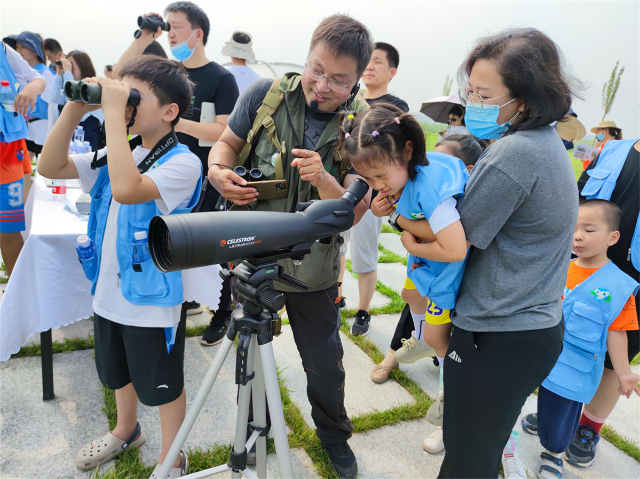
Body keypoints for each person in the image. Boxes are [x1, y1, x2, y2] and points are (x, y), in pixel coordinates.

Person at [207, 14, 373, 478]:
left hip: (314, 268)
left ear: (358, 79)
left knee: (325, 363)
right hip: (253, 256)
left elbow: (354, 209)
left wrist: (324, 180)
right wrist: (219, 174)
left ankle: (334, 438)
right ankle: (251, 429)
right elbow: (225, 146)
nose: (321, 85)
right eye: (316, 69)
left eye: (339, 80)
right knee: (248, 355)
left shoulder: (362, 124)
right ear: (308, 57)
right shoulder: (263, 95)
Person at [37, 55, 201, 477]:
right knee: (117, 371)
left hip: (151, 299)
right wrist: (76, 107)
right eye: (120, 94)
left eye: (132, 98)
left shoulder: (183, 162)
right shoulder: (120, 149)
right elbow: (50, 165)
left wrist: (111, 114)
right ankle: (126, 429)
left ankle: (172, 454)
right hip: (107, 289)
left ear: (169, 112)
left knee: (163, 381)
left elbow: (129, 189)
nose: (123, 105)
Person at [437, 28, 581, 478]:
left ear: (525, 99)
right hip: (529, 325)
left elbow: (457, 239)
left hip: (498, 333)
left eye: (484, 95)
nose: (473, 104)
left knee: (467, 459)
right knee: (477, 448)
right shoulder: (545, 144)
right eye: (471, 92)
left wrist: (403, 221)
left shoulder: (515, 153)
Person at [114, 3, 240, 329]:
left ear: (197, 34)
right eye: (167, 26)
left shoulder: (221, 78)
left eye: (177, 27)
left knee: (204, 247)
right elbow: (119, 80)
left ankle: (222, 314)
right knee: (164, 244)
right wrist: (144, 36)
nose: (170, 33)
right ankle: (179, 303)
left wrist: (176, 121)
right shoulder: (167, 71)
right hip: (158, 171)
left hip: (200, 174)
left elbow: (225, 132)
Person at [519, 199, 639, 479]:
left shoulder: (619, 287)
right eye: (573, 228)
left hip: (574, 367)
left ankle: (554, 453)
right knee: (547, 399)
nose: (578, 236)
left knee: (563, 407)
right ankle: (550, 420)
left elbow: (617, 331)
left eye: (588, 229)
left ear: (613, 237)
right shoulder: (560, 266)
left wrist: (623, 372)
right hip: (541, 355)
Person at [370, 134, 484, 384]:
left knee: (437, 336)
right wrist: (382, 207)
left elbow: (445, 239)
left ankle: (447, 391)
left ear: (466, 170)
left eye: (438, 162)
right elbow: (401, 209)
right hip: (422, 264)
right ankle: (419, 339)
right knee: (410, 296)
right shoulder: (420, 183)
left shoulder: (462, 201)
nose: (426, 169)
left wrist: (400, 222)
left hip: (444, 274)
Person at [564, 138, 640, 468]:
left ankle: (587, 428)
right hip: (588, 266)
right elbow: (578, 200)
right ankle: (559, 411)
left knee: (615, 359)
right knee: (569, 342)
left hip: (636, 283)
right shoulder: (612, 150)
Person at [349, 42, 409, 336]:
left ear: (392, 71)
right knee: (331, 248)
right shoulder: (350, 98)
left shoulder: (395, 106)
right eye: (367, 61)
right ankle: (334, 297)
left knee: (363, 252)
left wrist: (380, 194)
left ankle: (364, 309)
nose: (369, 67)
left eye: (377, 62)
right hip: (341, 186)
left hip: (373, 192)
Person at [0, 41, 45, 278]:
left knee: (8, 228)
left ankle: (17, 297)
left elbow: (37, 79)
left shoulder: (4, 51)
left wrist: (31, 89)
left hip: (6, 152)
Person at [2, 32, 55, 204]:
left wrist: (32, 89)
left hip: (36, 126)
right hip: (25, 125)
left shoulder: (43, 72)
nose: (19, 51)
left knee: (40, 166)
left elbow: (52, 102)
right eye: (17, 47)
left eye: (23, 47)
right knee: (30, 167)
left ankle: (34, 204)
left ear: (35, 50)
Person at [50, 50, 104, 152]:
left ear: (83, 65)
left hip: (88, 135)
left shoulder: (93, 87)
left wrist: (68, 74)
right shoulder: (70, 89)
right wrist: (59, 73)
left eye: (71, 65)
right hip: (73, 134)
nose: (68, 68)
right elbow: (54, 97)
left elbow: (71, 99)